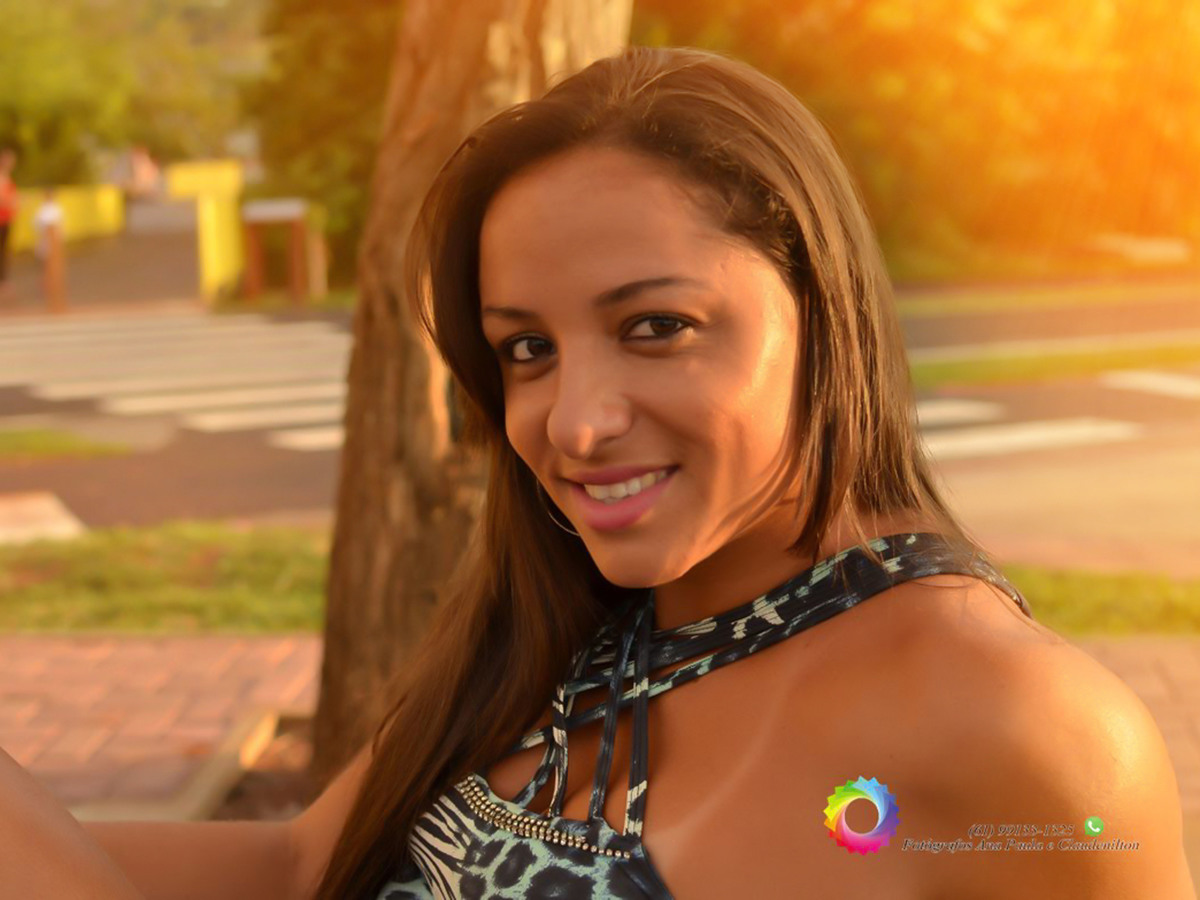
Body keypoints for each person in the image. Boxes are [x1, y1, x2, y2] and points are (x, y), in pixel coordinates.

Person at [1, 45, 1195, 900]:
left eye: (655, 326)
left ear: (820, 309)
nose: (574, 424)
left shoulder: (1026, 731)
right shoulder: (567, 629)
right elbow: (300, 865)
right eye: (527, 348)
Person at [0, 147, 17, 304]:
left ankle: (4, 282)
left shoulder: (7, 177)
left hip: (6, 220)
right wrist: (12, 201)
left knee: (4, 252)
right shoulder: (1, 177)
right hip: (1, 220)